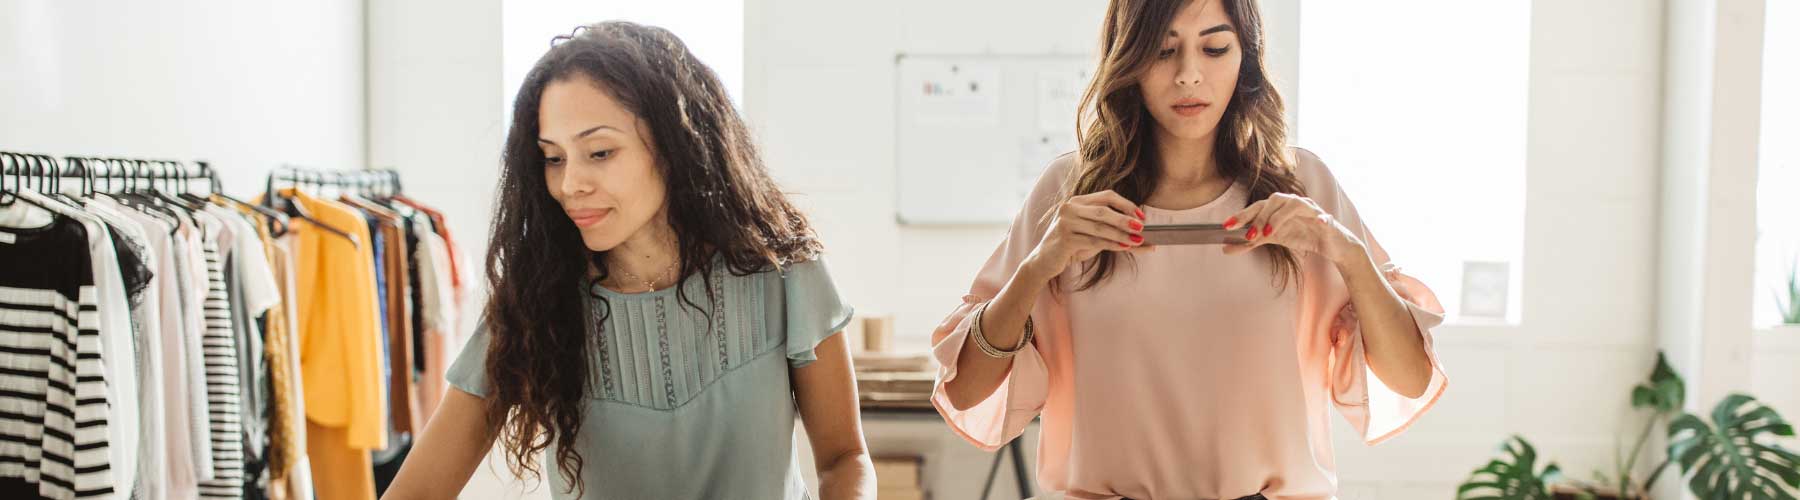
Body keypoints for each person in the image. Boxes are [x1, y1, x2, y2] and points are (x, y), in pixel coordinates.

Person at [929, 1, 1449, 499]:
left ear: (1246, 56)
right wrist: (1037, 267)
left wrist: (1348, 253)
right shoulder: (1070, 190)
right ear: (1127, 58)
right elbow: (965, 392)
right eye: (1162, 50)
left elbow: (1409, 377)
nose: (1188, 75)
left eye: (1215, 49)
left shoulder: (1301, 185)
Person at [383, 21, 875, 500]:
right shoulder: (534, 300)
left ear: (677, 144)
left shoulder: (785, 269)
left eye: (599, 152)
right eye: (553, 158)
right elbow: (419, 490)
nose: (570, 183)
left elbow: (843, 458)